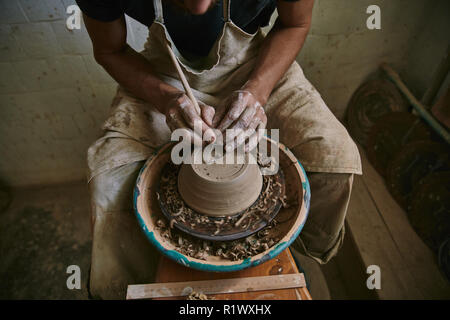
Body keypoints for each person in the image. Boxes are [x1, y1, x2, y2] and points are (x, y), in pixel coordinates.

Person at [78, 0, 362, 299]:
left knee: (334, 158)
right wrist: (167, 99)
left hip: (257, 64)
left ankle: (295, 248)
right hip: (163, 73)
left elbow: (295, 24)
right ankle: (136, 288)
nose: (199, 7)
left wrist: (257, 91)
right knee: (108, 183)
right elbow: (110, 50)